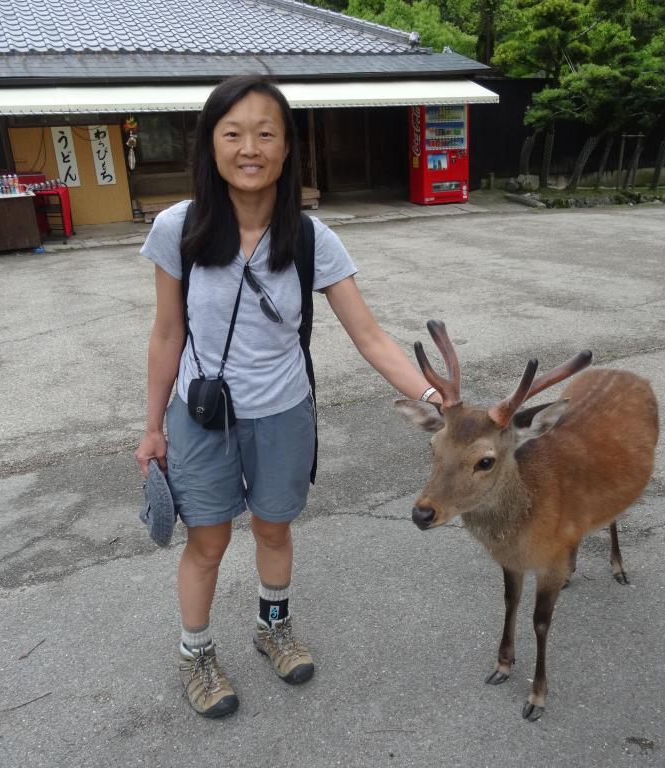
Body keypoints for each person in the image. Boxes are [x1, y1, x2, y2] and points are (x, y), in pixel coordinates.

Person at [133, 76, 441, 719]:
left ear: (286, 147)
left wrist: (442, 401)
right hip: (202, 416)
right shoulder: (178, 228)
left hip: (283, 413)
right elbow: (167, 333)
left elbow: (370, 337)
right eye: (234, 134)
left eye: (266, 133)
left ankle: (273, 624)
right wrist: (151, 426)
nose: (251, 148)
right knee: (208, 543)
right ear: (210, 147)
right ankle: (196, 654)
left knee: (274, 528)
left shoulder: (309, 238)